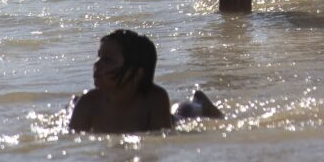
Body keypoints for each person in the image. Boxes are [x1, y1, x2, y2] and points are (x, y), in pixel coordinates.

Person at [68, 30, 221, 133]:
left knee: (186, 113)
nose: (97, 64)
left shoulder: (155, 99)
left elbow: (162, 139)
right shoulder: (88, 103)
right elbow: (73, 143)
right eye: (99, 57)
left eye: (108, 60)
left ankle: (199, 101)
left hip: (174, 120)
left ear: (137, 74)